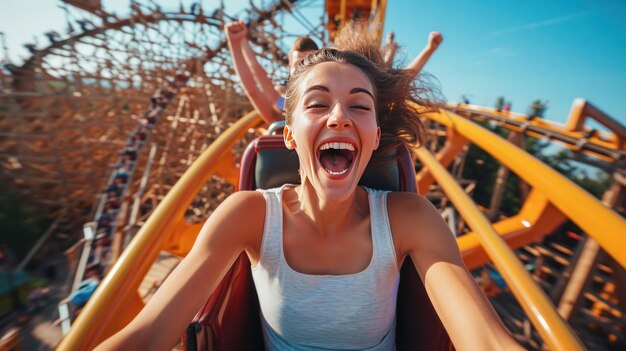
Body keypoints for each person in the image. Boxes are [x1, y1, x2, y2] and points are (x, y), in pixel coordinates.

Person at [96, 37, 522, 351]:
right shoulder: (249, 215)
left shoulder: (409, 218)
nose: (339, 116)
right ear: (289, 136)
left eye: (359, 105)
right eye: (318, 104)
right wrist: (236, 44)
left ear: (375, 137)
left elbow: (484, 339)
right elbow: (151, 332)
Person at [225, 20, 319, 125]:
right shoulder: (283, 105)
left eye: (310, 64)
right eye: (298, 64)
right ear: (290, 68)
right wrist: (237, 42)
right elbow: (253, 86)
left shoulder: (329, 101)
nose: (304, 69)